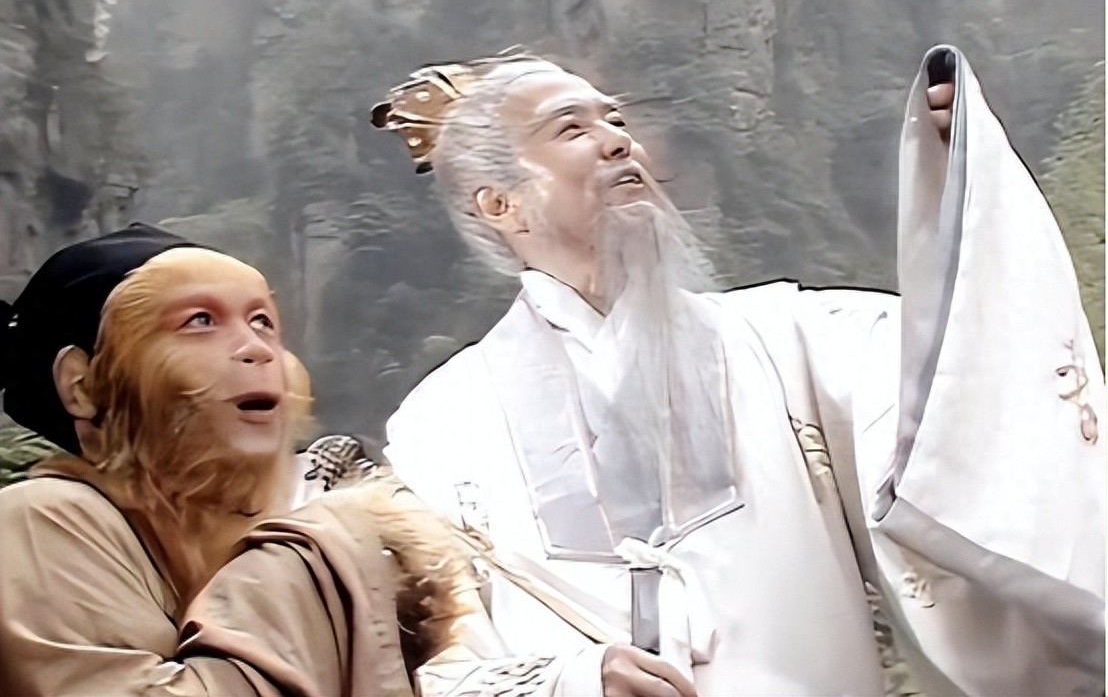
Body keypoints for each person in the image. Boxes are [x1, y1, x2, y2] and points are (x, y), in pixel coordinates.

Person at [374, 47, 1105, 696]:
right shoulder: (440, 428)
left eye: (617, 120)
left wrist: (960, 187)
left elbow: (958, 375)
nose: (619, 141)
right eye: (572, 129)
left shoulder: (790, 342)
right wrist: (573, 681)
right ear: (499, 204)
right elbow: (433, 666)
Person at [0, 223, 472, 695]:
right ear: (82, 386)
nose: (256, 348)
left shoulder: (244, 530)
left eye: (263, 321)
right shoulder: (42, 519)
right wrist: (329, 552)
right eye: (200, 320)